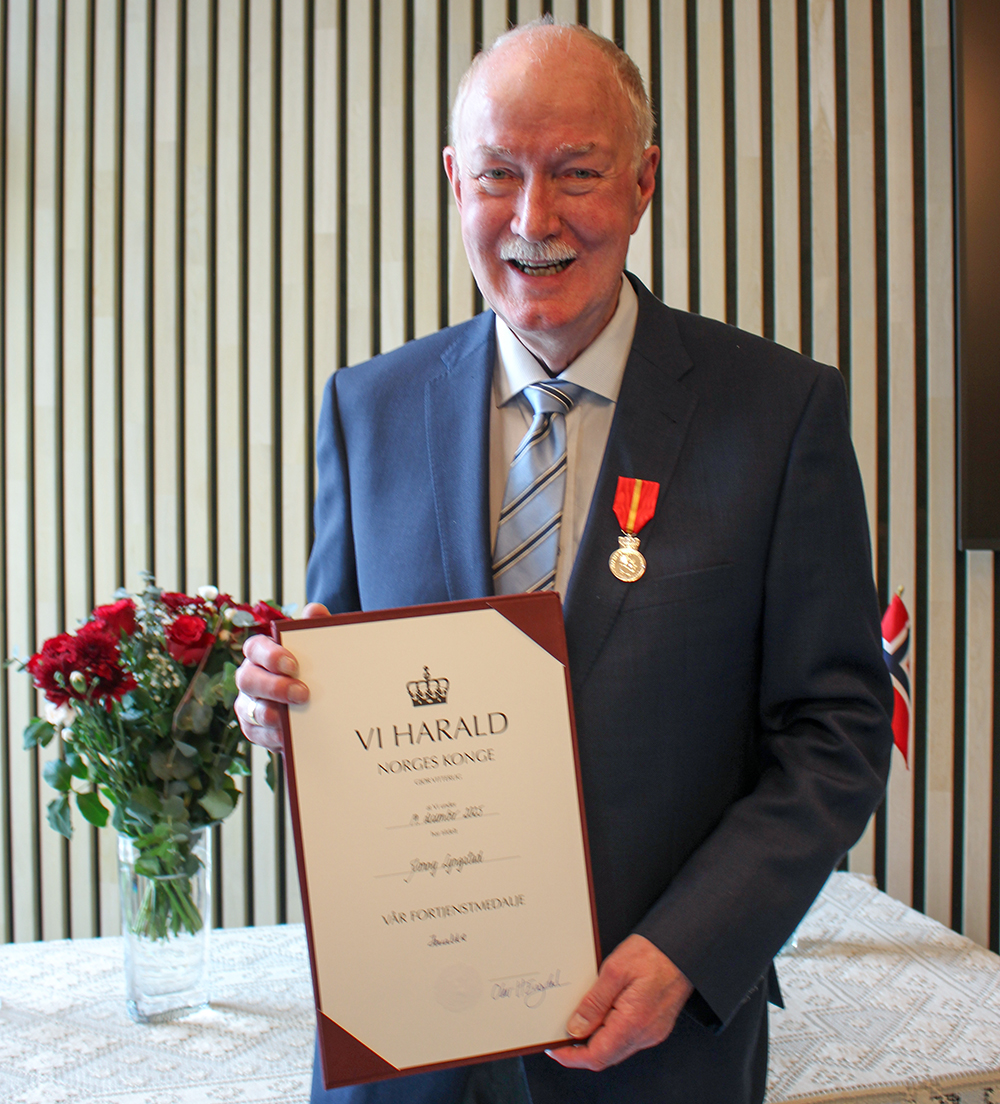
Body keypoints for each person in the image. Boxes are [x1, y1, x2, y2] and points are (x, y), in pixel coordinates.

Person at [236, 18, 893, 1104]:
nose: (533, 220)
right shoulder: (370, 408)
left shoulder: (780, 416)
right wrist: (285, 707)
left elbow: (835, 732)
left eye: (575, 172)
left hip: (654, 1050)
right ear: (455, 181)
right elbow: (336, 661)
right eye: (497, 174)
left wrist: (689, 950)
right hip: (403, 1053)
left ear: (640, 183)